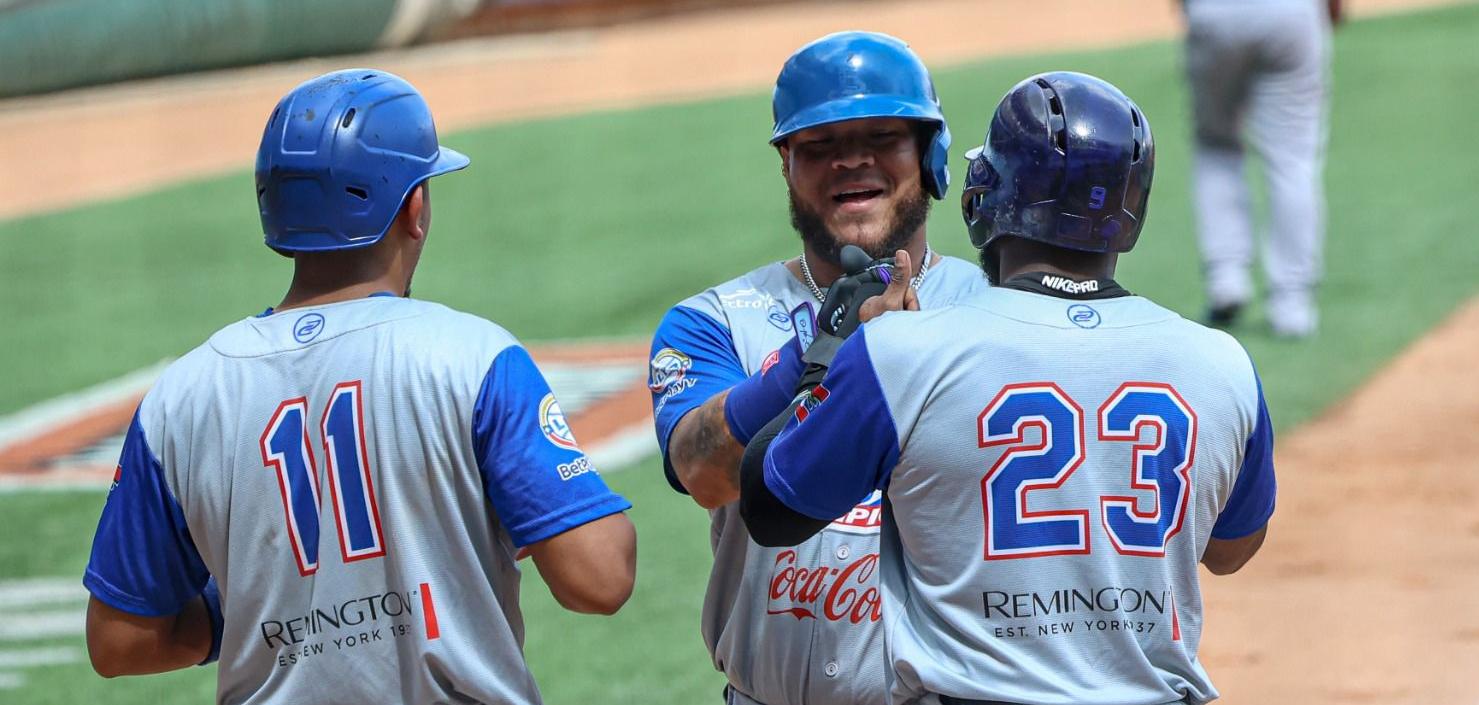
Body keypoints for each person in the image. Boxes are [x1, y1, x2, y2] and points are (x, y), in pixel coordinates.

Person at [81, 69, 636, 704]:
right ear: (414, 208)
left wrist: (271, 602)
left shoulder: (179, 398)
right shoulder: (469, 355)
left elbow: (119, 642)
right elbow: (600, 577)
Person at [740, 72, 1276, 705]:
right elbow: (1233, 549)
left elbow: (771, 508)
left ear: (984, 197)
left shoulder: (904, 352)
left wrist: (827, 359)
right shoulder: (1221, 362)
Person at [646, 31, 986, 705]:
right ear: (786, 163)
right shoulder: (713, 320)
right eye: (820, 145)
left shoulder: (995, 312)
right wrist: (820, 354)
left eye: (882, 136)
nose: (850, 161)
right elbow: (701, 471)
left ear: (928, 152)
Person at [1183, 0, 1340, 336]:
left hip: (1215, 14)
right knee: (1293, 159)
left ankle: (1226, 280)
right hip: (1290, 14)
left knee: (1216, 147)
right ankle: (1292, 306)